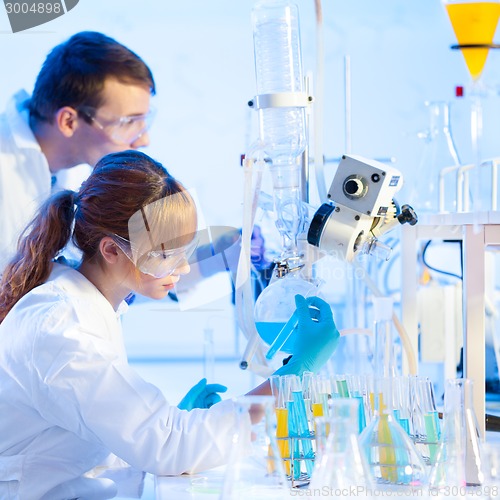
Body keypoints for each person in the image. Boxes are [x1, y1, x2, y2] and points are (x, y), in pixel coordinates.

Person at [0, 150, 340, 499]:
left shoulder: (87, 304)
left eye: (184, 250)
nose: (183, 268)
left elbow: (93, 434)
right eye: (165, 255)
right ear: (111, 250)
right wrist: (293, 375)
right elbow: (168, 447)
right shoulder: (62, 327)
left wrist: (174, 419)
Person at [0, 30, 155, 273]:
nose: (144, 139)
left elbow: (115, 277)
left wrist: (215, 255)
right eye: (127, 123)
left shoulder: (83, 165)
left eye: (143, 121)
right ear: (69, 122)